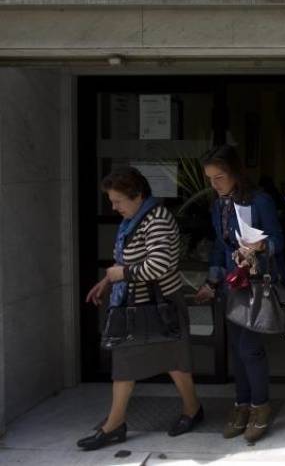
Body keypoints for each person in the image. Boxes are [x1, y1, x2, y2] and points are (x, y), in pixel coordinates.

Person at [77, 167, 203, 451]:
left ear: (138, 196)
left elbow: (160, 265)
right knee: (125, 366)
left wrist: (120, 275)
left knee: (175, 363)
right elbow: (125, 261)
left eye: (118, 200)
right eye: (112, 200)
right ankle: (115, 424)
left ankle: (192, 410)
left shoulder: (157, 219)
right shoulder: (133, 219)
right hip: (134, 304)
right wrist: (108, 279)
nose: (114, 206)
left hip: (160, 304)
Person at [194, 145, 285, 443]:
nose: (214, 184)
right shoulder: (217, 205)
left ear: (235, 173)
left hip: (258, 284)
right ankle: (242, 405)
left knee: (249, 348)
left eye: (219, 177)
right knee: (236, 349)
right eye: (210, 178)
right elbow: (221, 248)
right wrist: (212, 281)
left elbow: (279, 240)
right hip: (232, 284)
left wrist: (259, 247)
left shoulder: (259, 201)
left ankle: (260, 407)